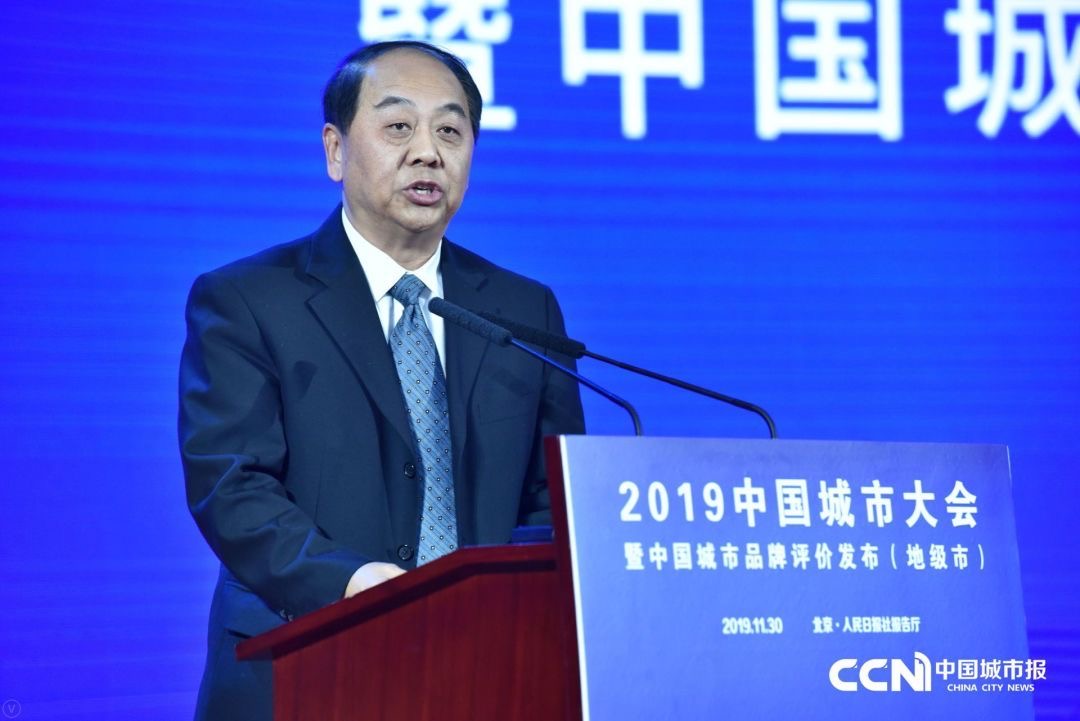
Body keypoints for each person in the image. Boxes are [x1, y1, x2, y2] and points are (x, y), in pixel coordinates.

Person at [178, 40, 585, 721]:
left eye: (450, 131)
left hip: (485, 673)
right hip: (302, 663)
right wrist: (355, 582)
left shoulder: (523, 311)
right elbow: (232, 487)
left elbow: (553, 503)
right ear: (335, 150)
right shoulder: (247, 300)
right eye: (398, 126)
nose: (428, 152)